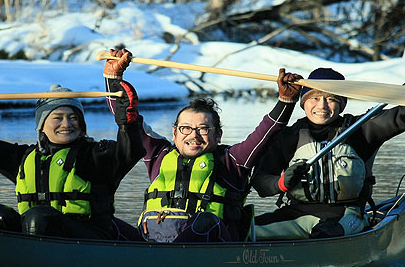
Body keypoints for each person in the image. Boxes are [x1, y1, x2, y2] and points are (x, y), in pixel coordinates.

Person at [102, 48, 303, 242]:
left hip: (209, 246)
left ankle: (167, 257)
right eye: (186, 128)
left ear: (218, 135)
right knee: (103, 221)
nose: (194, 135)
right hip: (156, 243)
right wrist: (113, 78)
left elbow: (267, 132)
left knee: (206, 220)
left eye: (203, 129)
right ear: (174, 133)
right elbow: (126, 118)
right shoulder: (158, 155)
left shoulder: (233, 161)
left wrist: (285, 102)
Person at [249, 56, 405, 239]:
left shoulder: (360, 129)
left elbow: (403, 117)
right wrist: (281, 183)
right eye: (315, 98)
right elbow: (260, 183)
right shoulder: (287, 136)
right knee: (243, 231)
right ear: (304, 102)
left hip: (347, 215)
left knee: (327, 234)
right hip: (296, 215)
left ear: (341, 104)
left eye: (331, 99)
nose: (322, 106)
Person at [0, 50, 145, 240]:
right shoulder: (25, 158)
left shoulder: (96, 156)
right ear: (42, 125)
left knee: (39, 218)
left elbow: (131, 152)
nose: (67, 124)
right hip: (35, 233)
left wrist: (126, 121)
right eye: (58, 118)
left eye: (73, 118)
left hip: (90, 238)